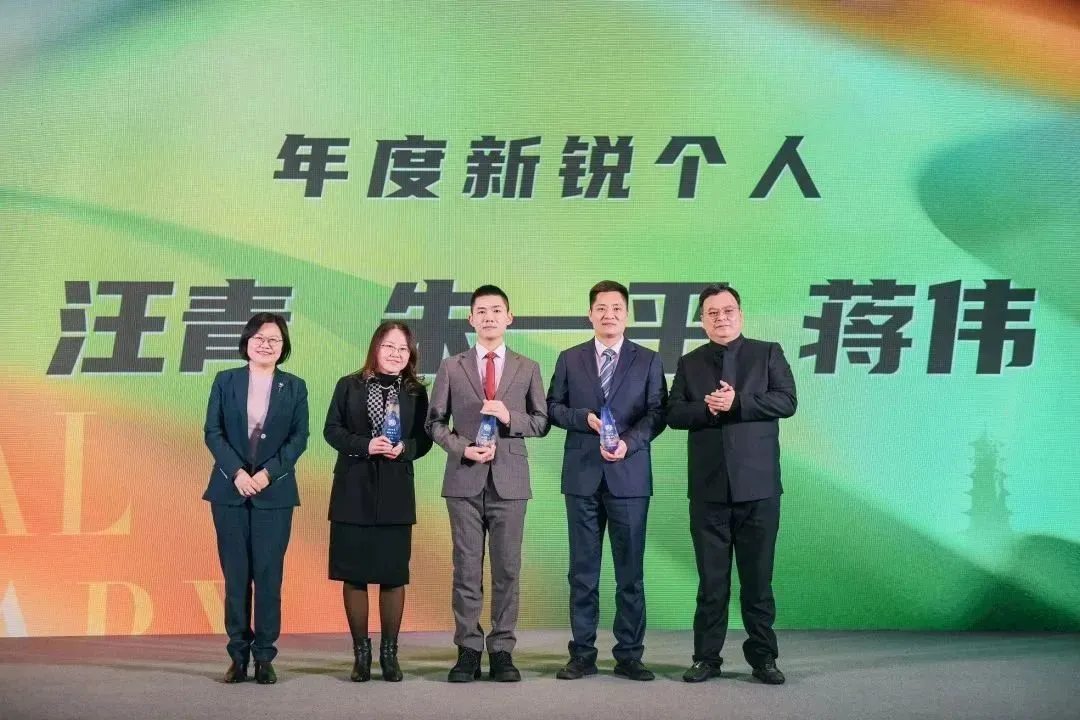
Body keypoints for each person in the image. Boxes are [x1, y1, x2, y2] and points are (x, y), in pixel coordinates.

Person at [667, 283, 797, 685]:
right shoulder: (689, 363)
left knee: (757, 581)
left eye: (727, 311)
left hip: (758, 489)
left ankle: (764, 658)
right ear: (702, 320)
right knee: (712, 583)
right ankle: (706, 658)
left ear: (740, 314)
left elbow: (787, 401)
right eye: (712, 313)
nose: (720, 318)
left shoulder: (767, 352)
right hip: (709, 491)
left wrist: (738, 401)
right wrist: (708, 407)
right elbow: (673, 413)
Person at [425, 285, 550, 683]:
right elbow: (434, 423)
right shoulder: (452, 366)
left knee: (507, 569)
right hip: (464, 479)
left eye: (497, 310)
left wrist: (510, 416)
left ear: (509, 318)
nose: (489, 317)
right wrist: (462, 448)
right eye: (482, 311)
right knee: (466, 569)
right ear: (471, 319)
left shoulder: (527, 367)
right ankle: (467, 649)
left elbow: (542, 422)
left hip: (510, 482)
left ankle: (501, 650)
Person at [546, 280, 667, 681]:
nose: (609, 314)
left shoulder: (648, 360)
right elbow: (552, 408)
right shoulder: (570, 358)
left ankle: (629, 654)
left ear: (627, 314)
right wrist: (583, 419)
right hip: (582, 478)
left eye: (616, 308)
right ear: (590, 314)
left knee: (630, 572)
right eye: (601, 308)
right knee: (583, 572)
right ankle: (582, 653)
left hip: (629, 478)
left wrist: (628, 443)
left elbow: (657, 413)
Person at [202, 312, 309, 685]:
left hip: (274, 494)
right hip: (229, 492)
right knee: (235, 578)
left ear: (284, 347)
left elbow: (299, 438)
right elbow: (213, 432)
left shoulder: (294, 387)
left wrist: (266, 474)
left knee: (267, 576)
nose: (266, 344)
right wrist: (238, 473)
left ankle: (265, 656)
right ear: (246, 342)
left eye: (274, 339)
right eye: (260, 338)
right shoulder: (225, 380)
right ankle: (238, 655)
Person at [323, 320, 433, 682]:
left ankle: (389, 654)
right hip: (353, 488)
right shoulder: (349, 385)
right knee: (354, 575)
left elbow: (425, 439)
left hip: (396, 491)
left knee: (392, 574)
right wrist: (365, 445)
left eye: (403, 349)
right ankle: (361, 654)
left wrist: (405, 449)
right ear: (375, 348)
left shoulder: (416, 392)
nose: (396, 354)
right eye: (389, 347)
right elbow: (332, 430)